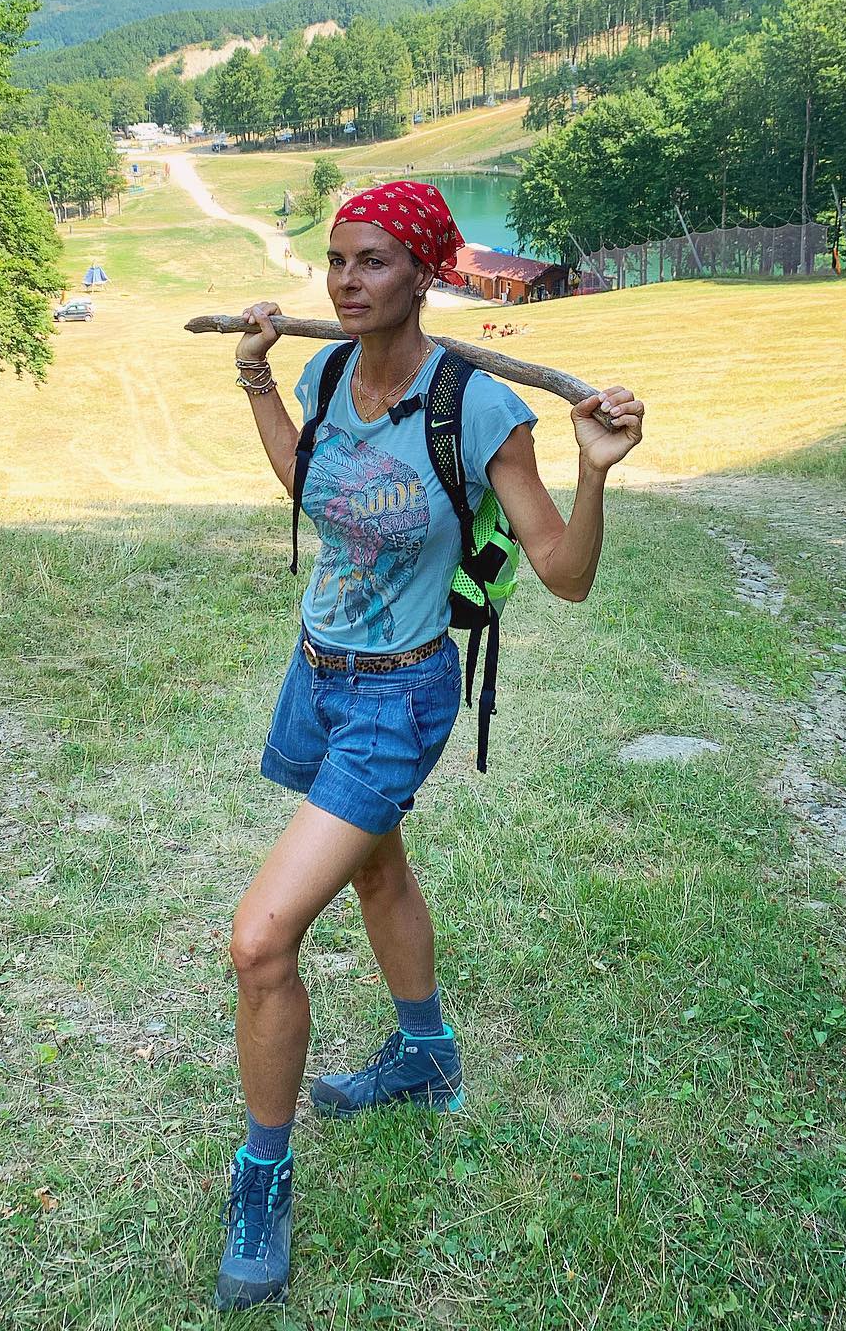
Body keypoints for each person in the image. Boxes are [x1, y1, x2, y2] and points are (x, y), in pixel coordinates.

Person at [216, 180, 644, 1310]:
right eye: (336, 262)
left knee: (260, 942)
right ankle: (425, 1050)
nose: (345, 283)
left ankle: (262, 1177)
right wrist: (260, 376)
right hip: (315, 673)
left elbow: (568, 574)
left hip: (400, 696)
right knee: (378, 866)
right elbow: (310, 479)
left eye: (371, 263)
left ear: (425, 272)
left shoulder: (480, 408)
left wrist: (596, 470)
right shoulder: (325, 372)